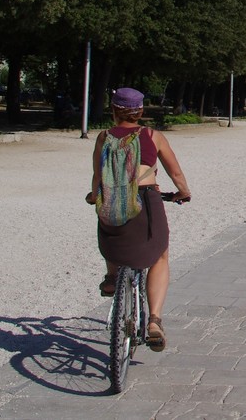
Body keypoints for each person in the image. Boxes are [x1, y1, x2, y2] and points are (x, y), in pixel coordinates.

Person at [85, 87, 190, 352]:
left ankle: (111, 277)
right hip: (146, 199)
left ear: (113, 109)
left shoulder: (103, 137)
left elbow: (98, 176)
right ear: (140, 111)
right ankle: (154, 320)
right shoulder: (153, 136)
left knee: (112, 225)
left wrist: (93, 195)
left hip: (112, 199)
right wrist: (183, 192)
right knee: (159, 255)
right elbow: (175, 173)